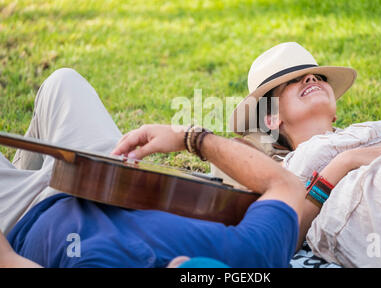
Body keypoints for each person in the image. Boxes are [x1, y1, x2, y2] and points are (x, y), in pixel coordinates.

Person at [0, 67, 353, 268]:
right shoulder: (252, 257)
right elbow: (286, 186)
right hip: (104, 180)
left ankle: (27, 180)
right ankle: (35, 172)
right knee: (64, 83)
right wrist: (190, 138)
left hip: (19, 220)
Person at [224, 42, 381, 267]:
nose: (312, 79)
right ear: (272, 118)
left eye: (319, 77)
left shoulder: (361, 132)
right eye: (291, 81)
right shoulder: (286, 168)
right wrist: (343, 163)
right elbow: (283, 239)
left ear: (333, 113)